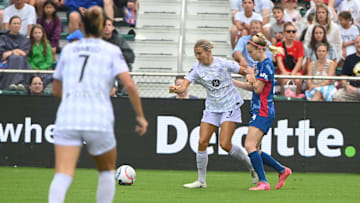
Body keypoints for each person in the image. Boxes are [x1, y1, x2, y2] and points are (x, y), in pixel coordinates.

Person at [48, 6, 148, 203]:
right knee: (105, 173)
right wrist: (140, 116)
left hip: (68, 117)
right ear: (103, 27)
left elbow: (56, 90)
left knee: (63, 174)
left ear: (82, 26)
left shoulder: (68, 50)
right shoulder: (111, 51)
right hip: (98, 118)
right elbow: (129, 85)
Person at [169, 39, 258, 189]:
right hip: (212, 108)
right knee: (202, 141)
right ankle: (201, 181)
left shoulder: (223, 63)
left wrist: (249, 76)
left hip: (230, 106)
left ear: (208, 52)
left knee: (224, 144)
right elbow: (183, 86)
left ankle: (251, 166)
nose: (197, 57)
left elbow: (244, 70)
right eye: (195, 54)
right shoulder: (196, 69)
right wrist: (176, 89)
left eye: (199, 53)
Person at [234, 32, 292, 191]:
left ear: (259, 49)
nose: (250, 55)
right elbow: (251, 87)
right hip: (258, 110)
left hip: (263, 110)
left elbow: (258, 89)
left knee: (249, 145)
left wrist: (251, 75)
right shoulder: (260, 65)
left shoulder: (266, 65)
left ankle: (263, 182)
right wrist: (233, 83)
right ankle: (282, 170)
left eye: (251, 52)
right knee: (256, 149)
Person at [0, 16, 31, 91]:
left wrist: (10, 53)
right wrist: (13, 52)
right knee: (14, 58)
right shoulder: (3, 38)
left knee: (18, 58)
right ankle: (12, 84)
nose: (16, 25)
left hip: (22, 64)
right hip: (5, 63)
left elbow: (23, 54)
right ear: (9, 25)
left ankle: (18, 83)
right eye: (14, 23)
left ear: (20, 25)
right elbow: (2, 56)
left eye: (18, 23)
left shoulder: (25, 40)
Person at [276, 22, 304, 95]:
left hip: (296, 71)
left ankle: (296, 98)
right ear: (284, 33)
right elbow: (279, 61)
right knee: (285, 80)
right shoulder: (279, 45)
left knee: (298, 80)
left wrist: (293, 73)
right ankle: (284, 99)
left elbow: (300, 61)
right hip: (282, 71)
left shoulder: (299, 44)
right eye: (288, 31)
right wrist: (285, 73)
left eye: (293, 32)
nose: (291, 33)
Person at [333, 35, 360, 101]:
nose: (359, 44)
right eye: (357, 42)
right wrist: (346, 86)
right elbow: (343, 77)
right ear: (354, 44)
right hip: (352, 89)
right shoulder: (349, 58)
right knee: (337, 96)